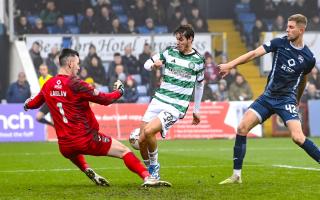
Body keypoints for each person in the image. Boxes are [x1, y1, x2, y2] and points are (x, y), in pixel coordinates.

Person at [24, 48, 170, 187]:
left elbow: (33, 104)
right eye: (78, 63)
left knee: (72, 150)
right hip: (86, 139)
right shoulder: (76, 84)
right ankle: (148, 177)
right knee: (125, 151)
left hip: (64, 146)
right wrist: (119, 91)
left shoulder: (48, 84)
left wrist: (27, 105)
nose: (79, 68)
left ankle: (87, 169)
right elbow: (105, 99)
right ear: (70, 63)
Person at [218, 14, 320, 184]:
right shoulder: (279, 43)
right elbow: (253, 54)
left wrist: (297, 98)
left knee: (298, 137)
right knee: (242, 127)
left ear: (301, 30)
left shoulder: (309, 58)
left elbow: (303, 79)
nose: (287, 30)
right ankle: (236, 175)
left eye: (291, 27)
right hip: (268, 97)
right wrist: (230, 65)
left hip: (286, 99)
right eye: (287, 26)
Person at [139, 24, 205, 183]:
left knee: (148, 132)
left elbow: (200, 85)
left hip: (176, 106)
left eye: (181, 39)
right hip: (159, 100)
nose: (178, 42)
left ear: (190, 39)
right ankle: (150, 172)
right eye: (177, 39)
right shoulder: (169, 52)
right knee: (141, 140)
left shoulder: (198, 60)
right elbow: (147, 64)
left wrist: (197, 110)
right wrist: (153, 65)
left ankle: (155, 171)